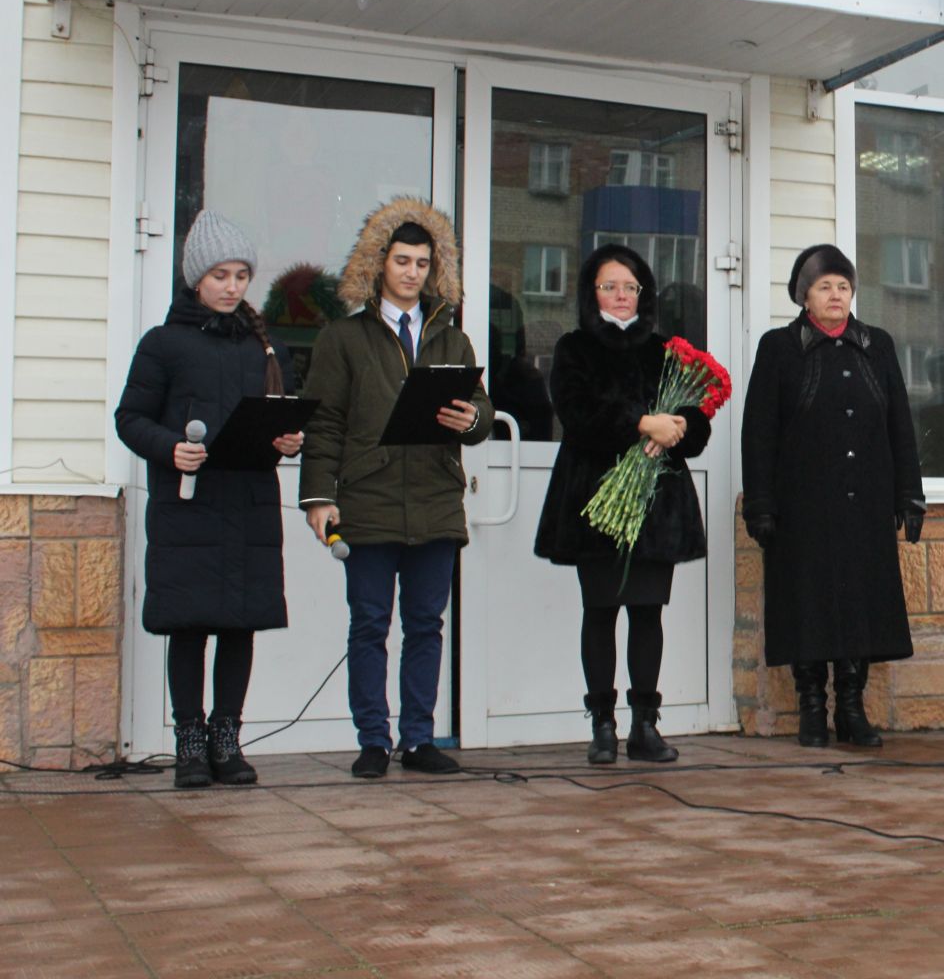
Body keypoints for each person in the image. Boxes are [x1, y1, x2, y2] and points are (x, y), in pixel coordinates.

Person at [299, 198, 494, 779]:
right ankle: (373, 740)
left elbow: (479, 409)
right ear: (379, 264)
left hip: (435, 498)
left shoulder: (452, 340)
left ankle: (418, 738)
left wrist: (475, 421)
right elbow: (325, 420)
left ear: (435, 270)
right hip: (368, 497)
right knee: (369, 624)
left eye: (422, 263)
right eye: (402, 261)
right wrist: (318, 496)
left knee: (427, 625)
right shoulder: (344, 337)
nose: (412, 272)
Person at [115, 211, 304, 788]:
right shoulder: (163, 344)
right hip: (188, 506)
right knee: (190, 624)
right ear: (197, 277)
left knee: (239, 624)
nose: (231, 286)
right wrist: (171, 449)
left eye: (241, 275)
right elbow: (130, 419)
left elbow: (277, 416)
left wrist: (287, 439)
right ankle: (190, 741)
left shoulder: (264, 348)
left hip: (247, 502)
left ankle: (228, 736)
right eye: (220, 274)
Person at [741, 244, 926, 749]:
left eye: (843, 286)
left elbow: (899, 426)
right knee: (808, 602)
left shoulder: (877, 346)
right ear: (804, 296)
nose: (836, 295)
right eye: (825, 286)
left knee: (861, 603)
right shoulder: (779, 348)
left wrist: (909, 495)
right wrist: (759, 504)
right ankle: (810, 706)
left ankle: (850, 706)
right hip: (802, 506)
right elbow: (758, 432)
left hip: (865, 504)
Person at [534, 245, 713, 764]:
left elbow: (696, 420)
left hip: (657, 505)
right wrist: (641, 423)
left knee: (648, 614)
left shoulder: (665, 351)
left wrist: (678, 427)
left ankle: (645, 725)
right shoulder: (574, 348)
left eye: (629, 287)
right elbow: (577, 412)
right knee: (600, 611)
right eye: (609, 286)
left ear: (644, 294)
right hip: (595, 502)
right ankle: (603, 725)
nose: (619, 295)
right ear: (592, 293)